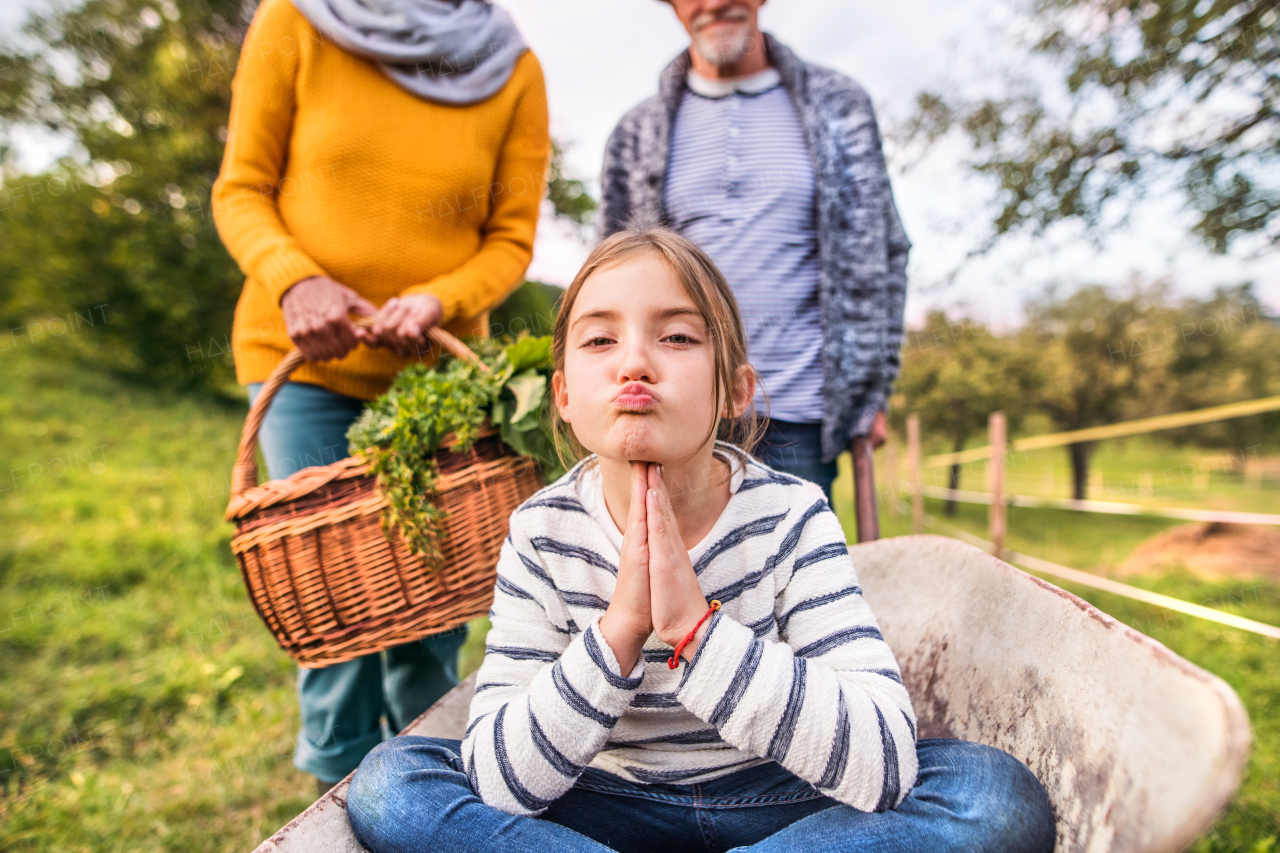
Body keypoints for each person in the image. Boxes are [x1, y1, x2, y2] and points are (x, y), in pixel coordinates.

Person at [345, 229, 1055, 853]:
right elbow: (500, 782)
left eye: (677, 336)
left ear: (735, 388)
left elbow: (885, 756)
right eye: (600, 339)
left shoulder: (791, 514)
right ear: (563, 395)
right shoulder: (542, 532)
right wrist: (621, 630)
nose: (635, 363)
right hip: (605, 804)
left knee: (992, 794)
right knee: (391, 784)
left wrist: (696, 628)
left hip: (780, 802)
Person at [211, 0, 549, 792]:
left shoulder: (510, 69)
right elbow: (241, 189)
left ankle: (426, 792)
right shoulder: (296, 21)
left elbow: (511, 238)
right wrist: (295, 281)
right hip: (305, 366)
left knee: (432, 610)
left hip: (431, 377)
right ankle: (333, 797)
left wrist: (440, 295)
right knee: (338, 610)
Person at [597, 0, 909, 504]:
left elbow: (886, 251)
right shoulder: (636, 133)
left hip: (800, 419)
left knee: (798, 578)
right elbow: (608, 277)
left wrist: (873, 390)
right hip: (679, 410)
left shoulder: (840, 107)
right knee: (677, 578)